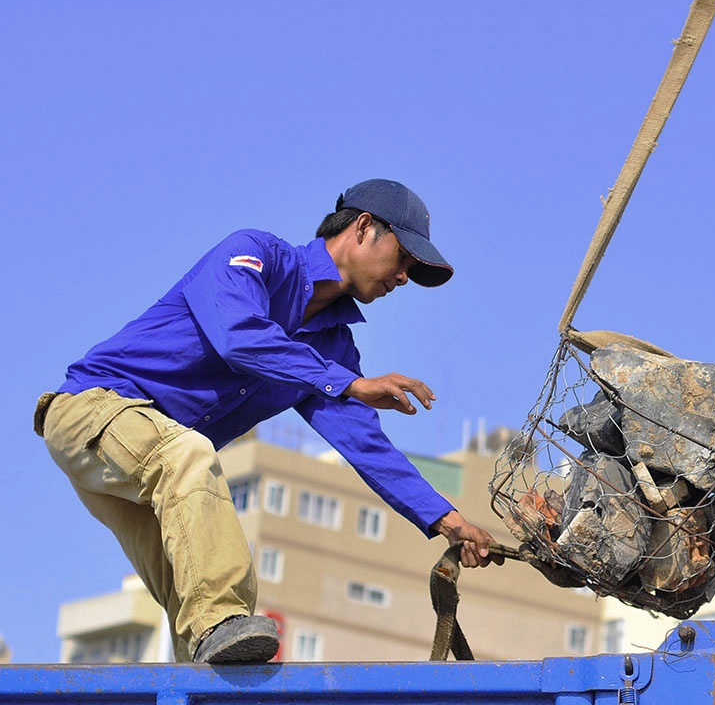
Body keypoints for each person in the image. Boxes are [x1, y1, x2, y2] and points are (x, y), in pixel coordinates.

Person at [33, 178, 503, 665]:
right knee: (192, 470)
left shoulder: (333, 348)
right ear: (364, 227)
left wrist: (448, 521)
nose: (404, 277)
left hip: (149, 460)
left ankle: (209, 682)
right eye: (404, 258)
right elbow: (239, 337)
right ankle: (219, 627)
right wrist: (346, 383)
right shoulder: (254, 256)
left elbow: (369, 448)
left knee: (199, 592)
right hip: (93, 411)